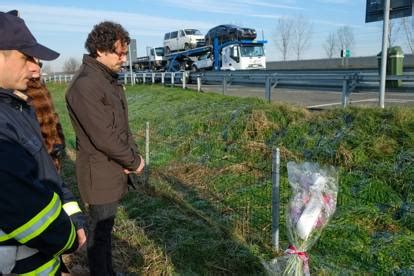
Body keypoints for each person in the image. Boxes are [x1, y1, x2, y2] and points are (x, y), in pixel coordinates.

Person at [0, 10, 87, 275]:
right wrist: (68, 240)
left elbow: (47, 172)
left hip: (42, 259)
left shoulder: (18, 107)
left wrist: (74, 217)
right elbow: (25, 208)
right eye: (26, 57)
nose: (37, 67)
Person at [66, 21, 145, 276]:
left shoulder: (104, 78)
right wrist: (134, 161)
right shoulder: (86, 84)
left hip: (111, 169)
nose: (124, 58)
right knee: (99, 234)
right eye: (119, 52)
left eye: (125, 52)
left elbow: (119, 126)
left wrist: (127, 160)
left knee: (105, 231)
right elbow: (105, 137)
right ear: (100, 50)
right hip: (99, 173)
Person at [26, 78, 66, 172]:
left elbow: (53, 116)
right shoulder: (18, 89)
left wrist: (58, 141)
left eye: (39, 64)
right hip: (37, 157)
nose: (36, 68)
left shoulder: (40, 85)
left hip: (52, 154)